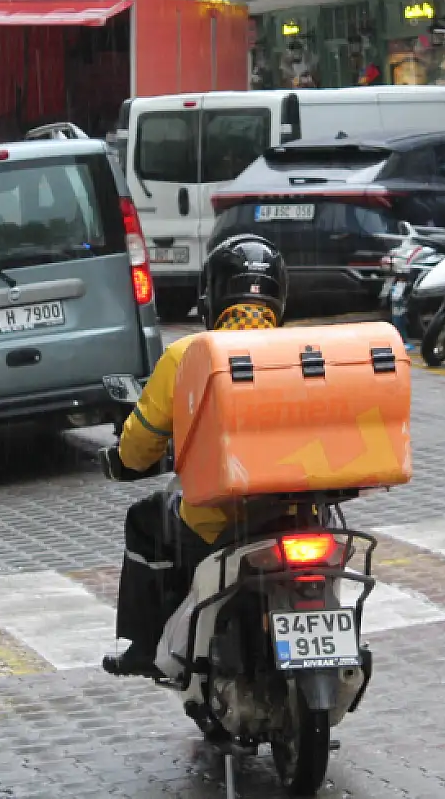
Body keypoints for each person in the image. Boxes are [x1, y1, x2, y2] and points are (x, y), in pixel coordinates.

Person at [99, 235, 288, 677]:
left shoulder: (188, 355)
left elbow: (141, 443)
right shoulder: (305, 353)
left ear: (212, 296)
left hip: (219, 519)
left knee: (146, 521)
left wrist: (125, 462)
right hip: (301, 510)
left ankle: (147, 646)